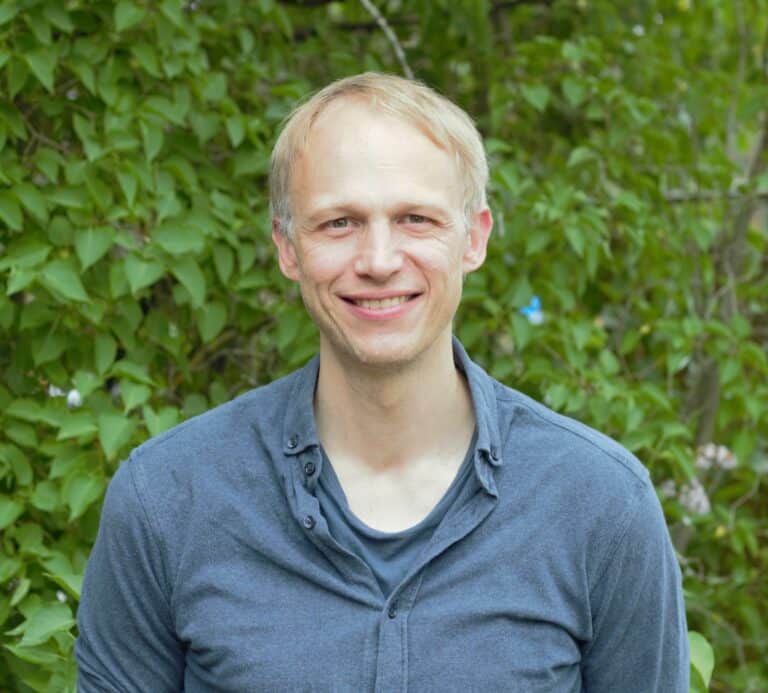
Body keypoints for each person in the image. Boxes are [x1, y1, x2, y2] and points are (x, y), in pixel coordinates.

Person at [75, 72, 689, 692]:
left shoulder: (600, 505)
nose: (378, 261)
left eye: (415, 219)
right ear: (287, 248)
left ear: (474, 238)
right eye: (339, 223)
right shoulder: (168, 500)